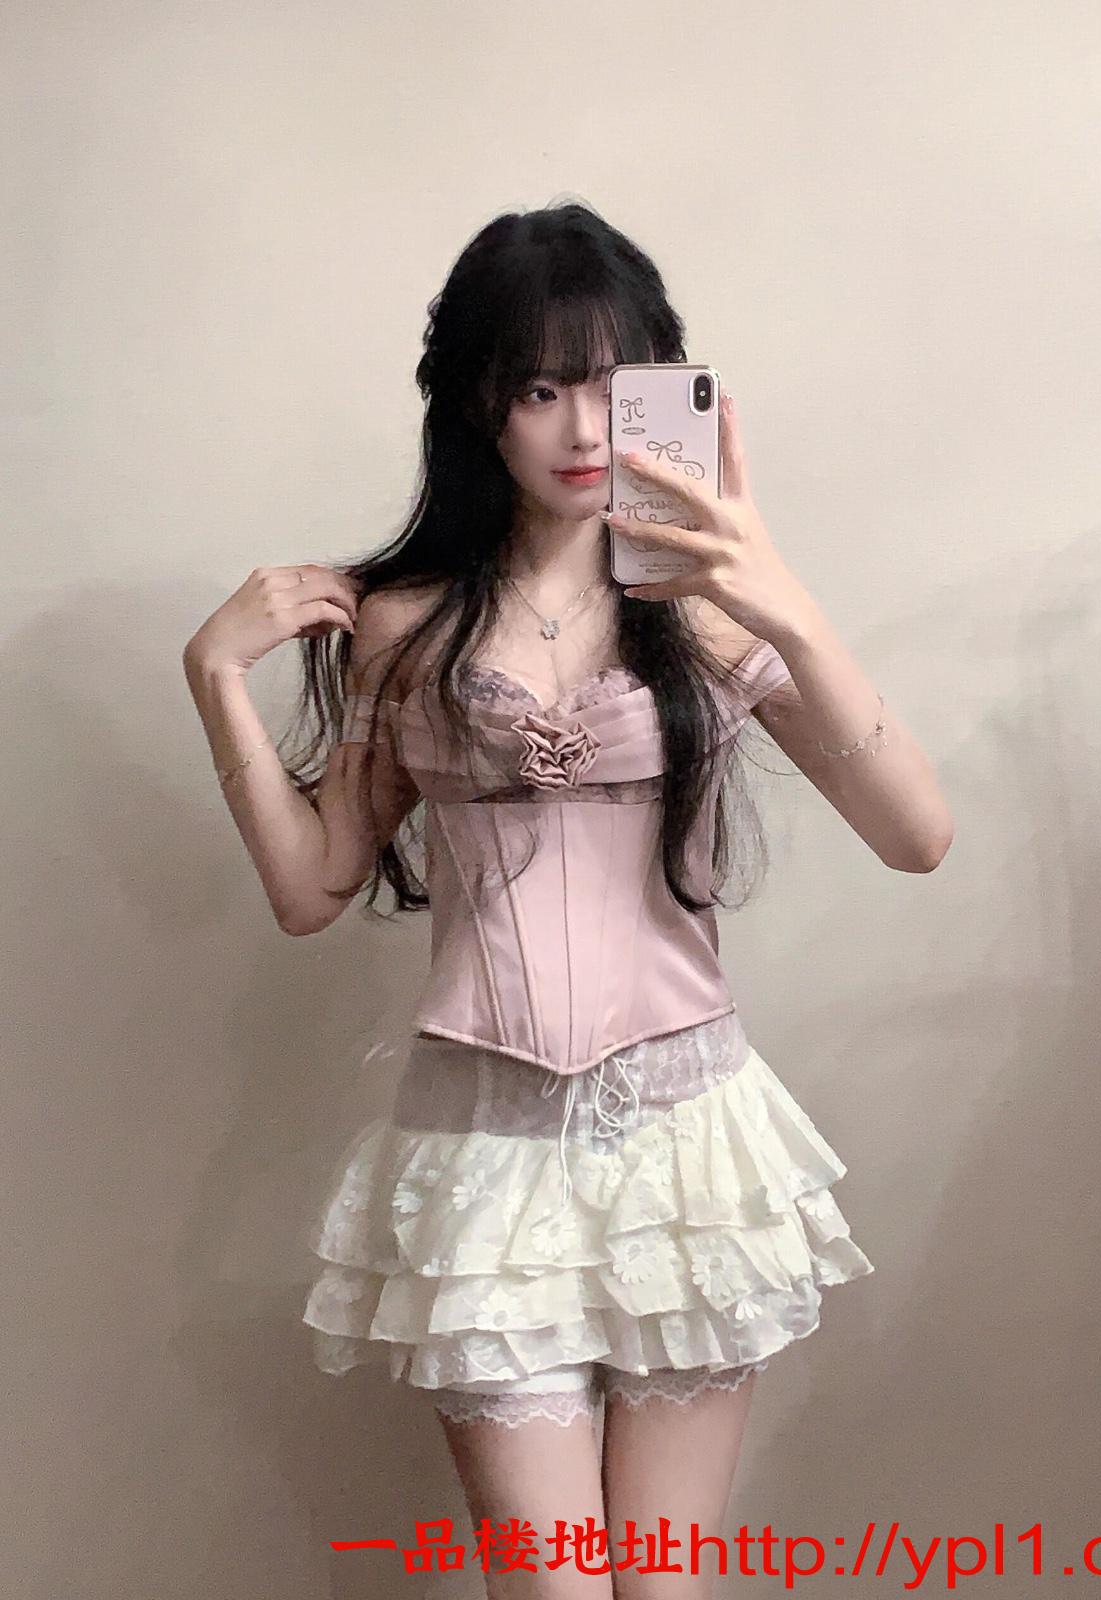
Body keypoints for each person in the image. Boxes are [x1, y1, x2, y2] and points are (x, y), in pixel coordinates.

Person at [183, 198, 952, 1598]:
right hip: (485, 1150)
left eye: (611, 383)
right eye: (540, 388)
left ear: (662, 387)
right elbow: (312, 889)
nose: (584, 427)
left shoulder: (706, 609)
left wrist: (781, 598)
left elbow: (918, 836)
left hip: (688, 1149)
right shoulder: (404, 626)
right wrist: (215, 680)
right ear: (479, 405)